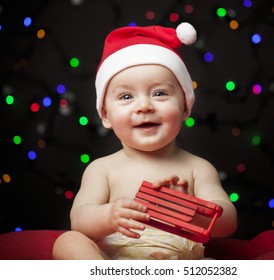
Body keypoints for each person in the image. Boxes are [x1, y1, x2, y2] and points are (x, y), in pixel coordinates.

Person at [52, 22, 237, 260]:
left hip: (180, 263)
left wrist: (191, 209)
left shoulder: (197, 168)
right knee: (68, 241)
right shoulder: (103, 169)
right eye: (126, 96)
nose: (144, 106)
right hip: (118, 264)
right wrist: (109, 216)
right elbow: (79, 220)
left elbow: (229, 222)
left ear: (184, 108)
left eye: (159, 93)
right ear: (106, 115)